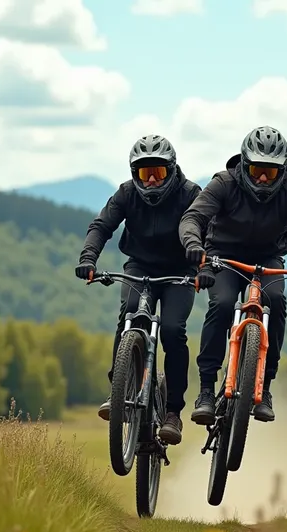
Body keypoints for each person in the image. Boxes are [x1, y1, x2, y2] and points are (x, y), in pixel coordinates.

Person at [178, 125, 287, 425]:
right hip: (223, 257)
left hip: (267, 261)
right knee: (221, 305)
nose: (263, 178)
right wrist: (195, 246)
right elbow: (193, 217)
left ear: (282, 171)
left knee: (275, 302)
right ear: (245, 165)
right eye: (258, 170)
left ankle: (265, 386)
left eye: (271, 172)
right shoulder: (223, 183)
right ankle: (207, 390)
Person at [75, 134, 201, 445]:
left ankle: (173, 412)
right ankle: (121, 389)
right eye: (146, 174)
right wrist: (88, 258)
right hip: (140, 266)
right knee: (129, 315)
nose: (153, 181)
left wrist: (205, 269)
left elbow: (205, 231)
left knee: (173, 331)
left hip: (180, 271)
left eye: (159, 172)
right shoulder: (127, 194)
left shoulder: (190, 194)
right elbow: (101, 226)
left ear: (172, 170)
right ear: (135, 174)